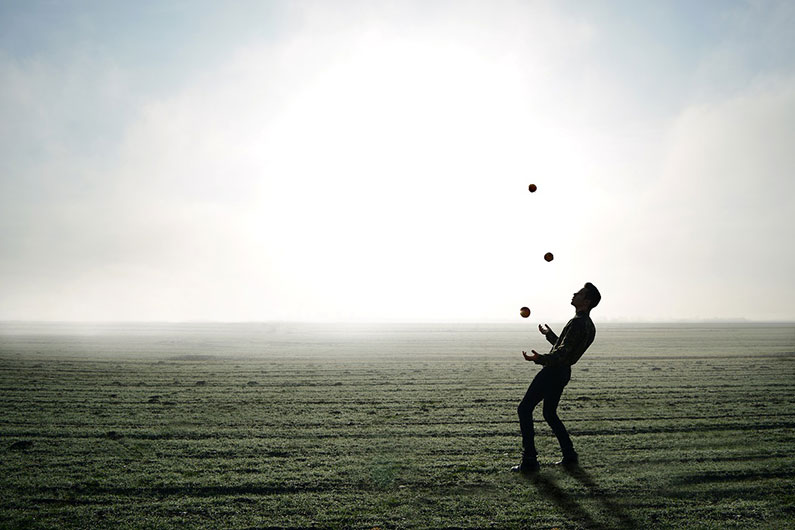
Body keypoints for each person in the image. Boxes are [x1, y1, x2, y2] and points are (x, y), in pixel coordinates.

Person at [512, 282, 600, 474]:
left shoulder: (577, 322)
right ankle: (569, 456)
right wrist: (549, 335)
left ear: (587, 301)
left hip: (553, 371)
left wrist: (539, 359)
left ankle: (529, 460)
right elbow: (566, 348)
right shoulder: (588, 324)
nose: (574, 293)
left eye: (580, 293)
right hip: (563, 372)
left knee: (524, 409)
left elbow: (562, 354)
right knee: (549, 414)